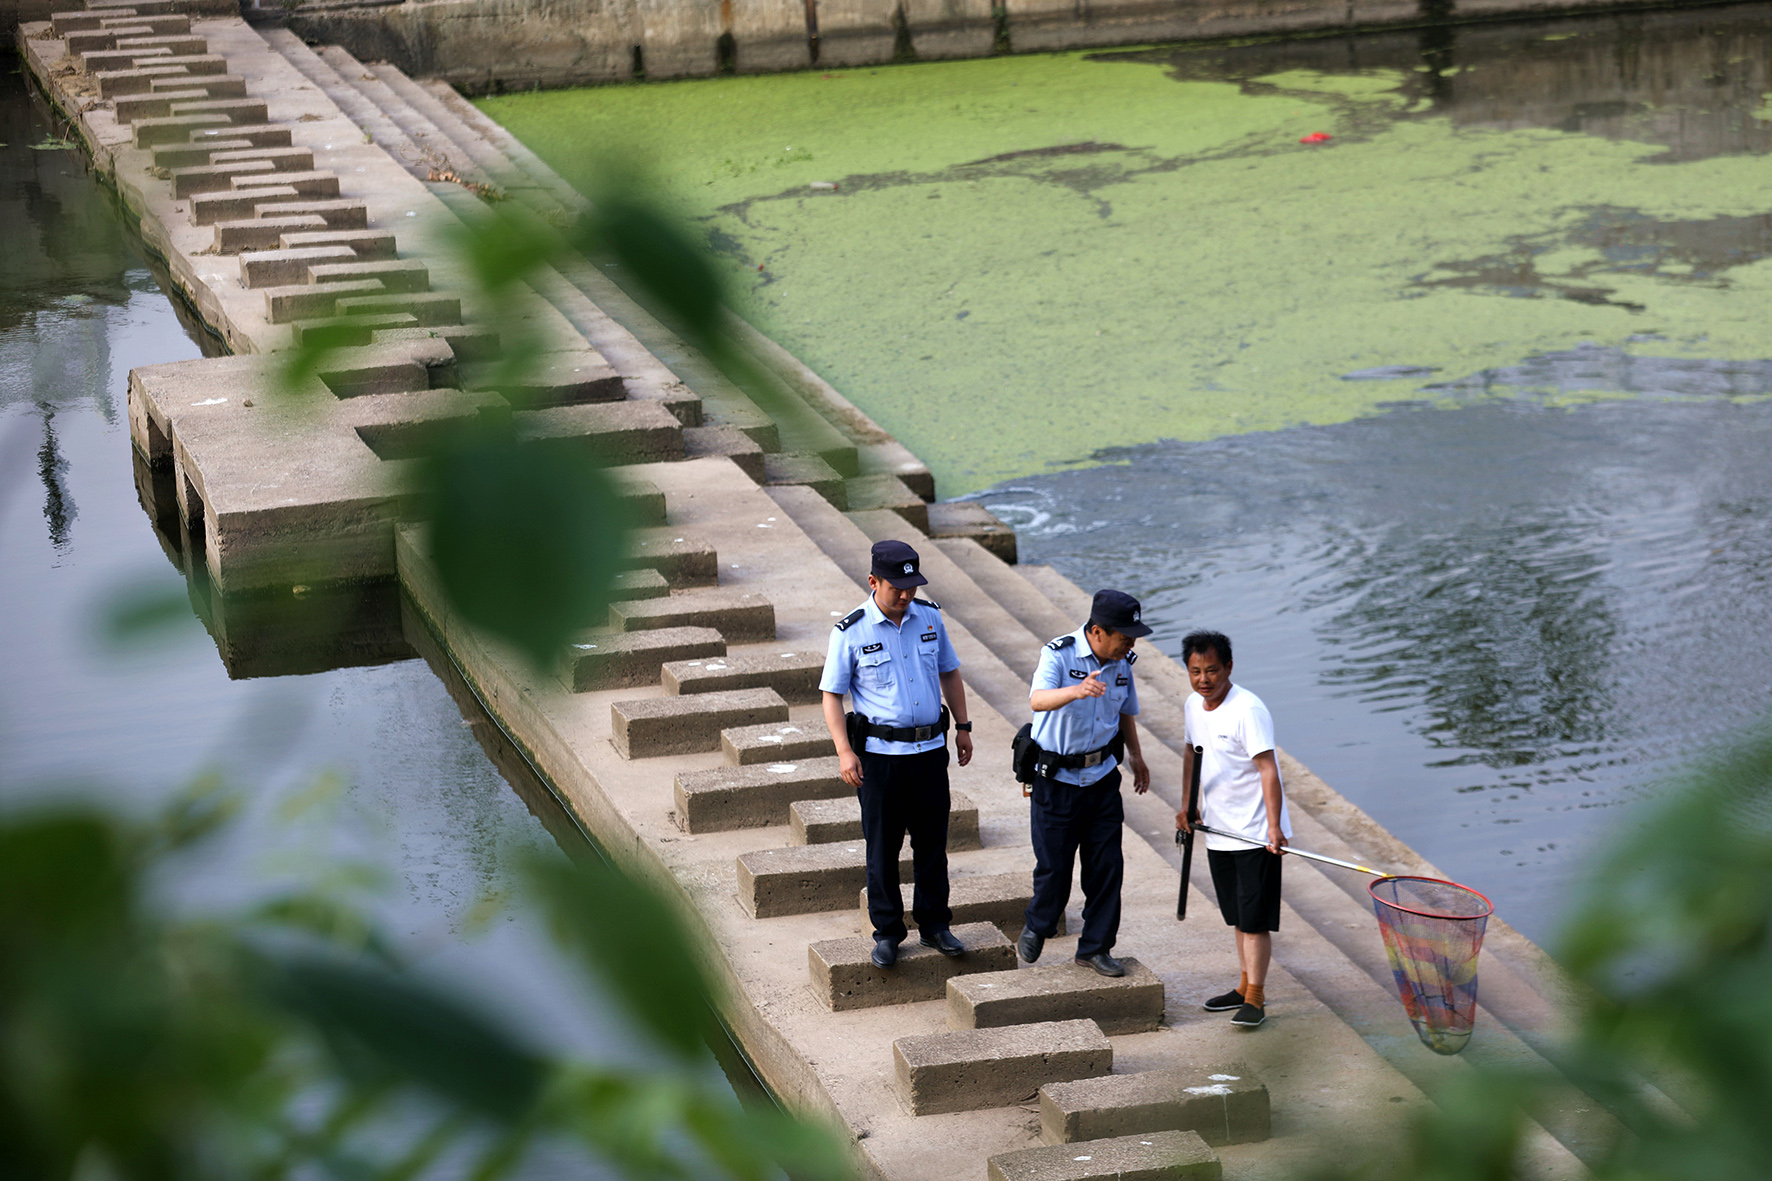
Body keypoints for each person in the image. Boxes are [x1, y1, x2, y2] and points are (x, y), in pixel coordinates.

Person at [821, 540, 974, 969]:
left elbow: (949, 671)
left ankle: (935, 924)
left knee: (932, 845)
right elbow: (831, 695)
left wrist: (963, 727)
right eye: (897, 588)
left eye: (912, 587)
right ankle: (888, 932)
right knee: (883, 849)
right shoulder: (851, 632)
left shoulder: (930, 618)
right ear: (874, 581)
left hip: (929, 752)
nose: (906, 595)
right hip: (881, 758)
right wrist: (844, 751)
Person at [1018, 589, 1152, 977]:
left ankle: (1096, 947)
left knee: (1106, 867)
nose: (1130, 645)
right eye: (1124, 637)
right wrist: (1076, 690)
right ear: (1097, 631)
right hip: (1056, 781)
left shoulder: (1122, 663)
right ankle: (1039, 924)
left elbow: (1125, 711)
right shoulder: (1058, 655)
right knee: (1054, 868)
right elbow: (1037, 700)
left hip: (1102, 779)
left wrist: (1137, 756)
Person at [1174, 629, 1291, 1029]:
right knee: (1238, 916)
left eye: (1211, 670)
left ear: (1228, 667)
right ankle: (1243, 987)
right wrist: (1188, 805)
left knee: (1254, 919)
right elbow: (1191, 753)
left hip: (1256, 833)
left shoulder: (1248, 709)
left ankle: (1256, 998)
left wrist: (1274, 827)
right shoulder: (1193, 705)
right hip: (1218, 829)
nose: (1203, 679)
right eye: (1195, 671)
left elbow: (1268, 769)